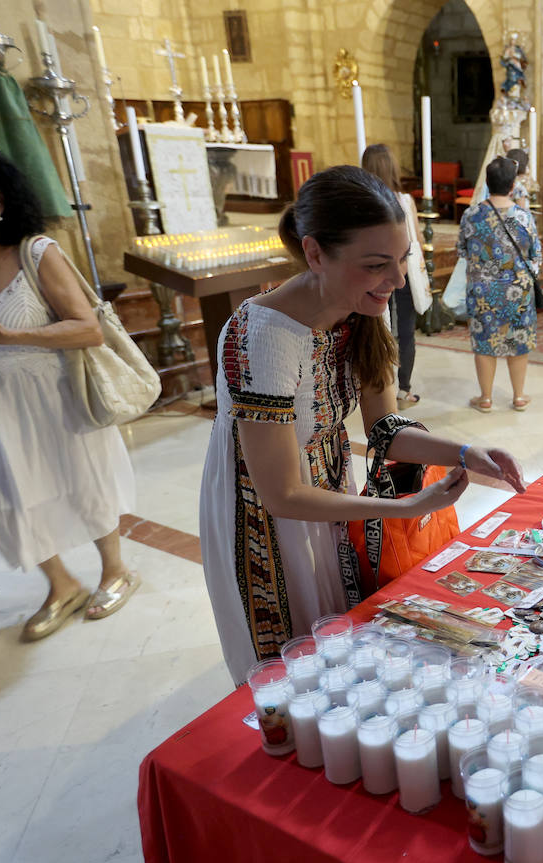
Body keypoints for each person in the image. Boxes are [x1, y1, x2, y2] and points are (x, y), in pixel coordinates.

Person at [198, 165, 524, 683]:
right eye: (376, 265)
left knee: (340, 640)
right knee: (293, 666)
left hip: (329, 491)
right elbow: (281, 494)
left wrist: (464, 453)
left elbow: (383, 427)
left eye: (401, 260)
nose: (395, 281)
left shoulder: (363, 306)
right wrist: (404, 505)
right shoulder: (262, 336)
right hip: (265, 517)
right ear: (314, 253)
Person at [0, 131, 140, 642]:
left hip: (56, 395)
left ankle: (115, 569)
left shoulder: (36, 252)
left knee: (85, 483)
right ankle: (61, 584)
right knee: (10, 494)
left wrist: (6, 334)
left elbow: (88, 328)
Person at [458, 156, 541, 412]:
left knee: (485, 341)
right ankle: (518, 396)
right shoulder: (523, 217)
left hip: (483, 290)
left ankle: (485, 398)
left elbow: (462, 251)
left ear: (487, 181)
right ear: (513, 184)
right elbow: (535, 255)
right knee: (517, 340)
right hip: (518, 290)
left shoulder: (472, 215)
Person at [360, 144, 431, 405]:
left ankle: (379, 389)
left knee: (377, 330)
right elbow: (418, 240)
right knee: (405, 332)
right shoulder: (405, 200)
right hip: (404, 272)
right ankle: (403, 390)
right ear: (392, 167)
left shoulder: (363, 203)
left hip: (372, 274)